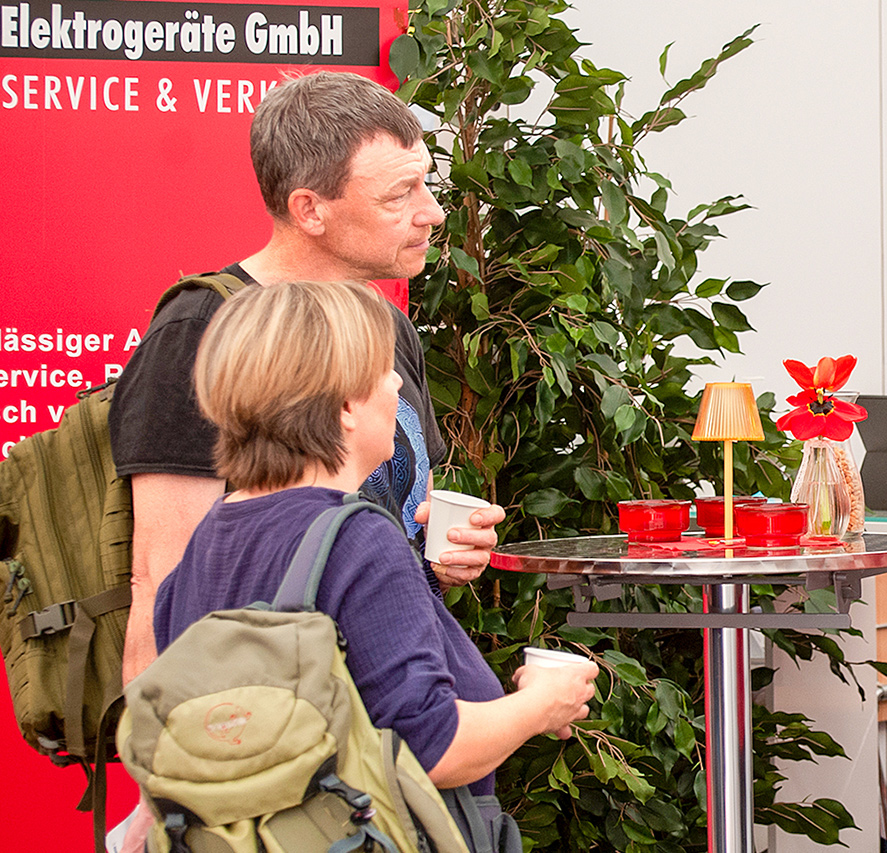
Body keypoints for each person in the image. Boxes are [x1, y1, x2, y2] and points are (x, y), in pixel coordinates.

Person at [109, 70, 504, 690]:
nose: (431, 213)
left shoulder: (388, 325)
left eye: (425, 182)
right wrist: (165, 745)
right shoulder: (202, 329)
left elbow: (402, 517)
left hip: (398, 712)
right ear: (310, 209)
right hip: (274, 723)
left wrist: (442, 554)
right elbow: (163, 580)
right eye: (398, 195)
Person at [154, 279, 597, 829]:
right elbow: (434, 750)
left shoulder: (211, 536)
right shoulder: (360, 538)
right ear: (345, 406)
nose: (397, 383)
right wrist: (544, 703)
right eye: (383, 370)